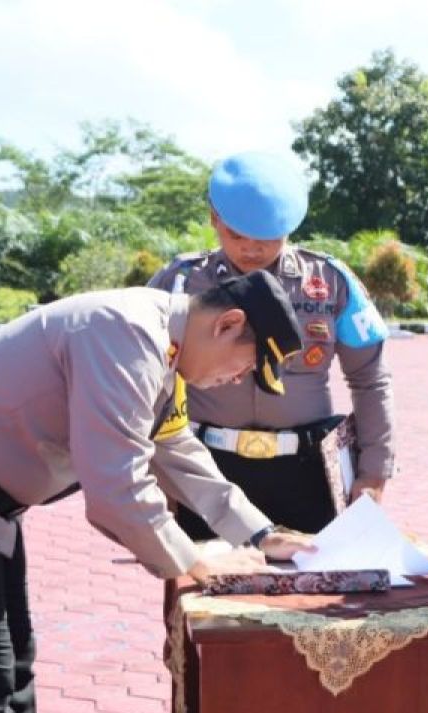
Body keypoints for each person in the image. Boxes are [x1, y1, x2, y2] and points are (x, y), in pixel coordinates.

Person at [0, 270, 314, 713]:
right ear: (228, 323)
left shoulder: (165, 350)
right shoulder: (123, 333)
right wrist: (194, 562)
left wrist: (261, 534)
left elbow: (176, 452)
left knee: (12, 676)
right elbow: (116, 487)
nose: (236, 381)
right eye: (243, 366)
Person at [149, 151, 394, 539]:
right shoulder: (180, 283)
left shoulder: (330, 283)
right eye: (236, 235)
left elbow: (370, 380)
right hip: (206, 471)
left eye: (266, 238)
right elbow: (145, 381)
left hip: (308, 474)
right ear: (215, 218)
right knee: (207, 590)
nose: (251, 249)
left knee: (311, 587)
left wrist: (374, 471)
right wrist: (154, 471)